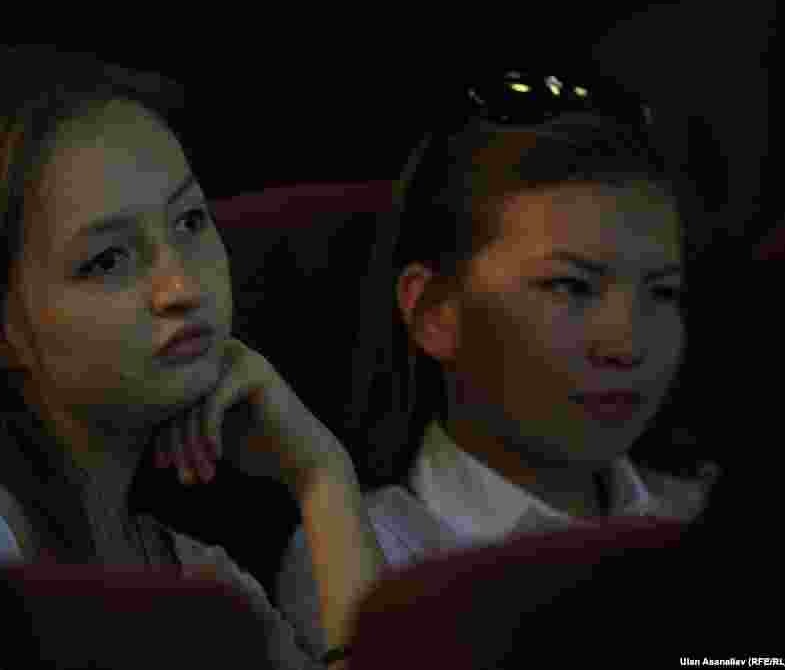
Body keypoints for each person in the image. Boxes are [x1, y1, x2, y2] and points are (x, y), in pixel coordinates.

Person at [0, 44, 384, 669]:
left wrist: (321, 476)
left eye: (190, 222)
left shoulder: (204, 579)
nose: (182, 287)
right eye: (108, 259)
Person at [276, 68, 716, 658]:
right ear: (434, 311)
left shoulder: (703, 516)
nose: (627, 344)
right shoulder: (364, 558)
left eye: (662, 293)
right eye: (570, 287)